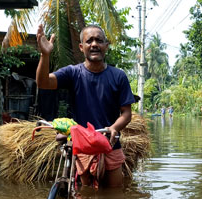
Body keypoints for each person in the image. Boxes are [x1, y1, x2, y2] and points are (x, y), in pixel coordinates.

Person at [36, 23, 135, 188]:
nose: (94, 44)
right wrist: (44, 55)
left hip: (110, 145)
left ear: (106, 46)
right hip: (83, 147)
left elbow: (126, 113)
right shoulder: (73, 73)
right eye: (89, 41)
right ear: (82, 47)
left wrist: (114, 128)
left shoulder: (118, 76)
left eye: (99, 40)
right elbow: (43, 82)